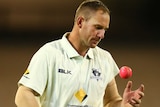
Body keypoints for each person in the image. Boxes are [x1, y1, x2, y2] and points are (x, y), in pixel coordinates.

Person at [15, 0, 144, 107]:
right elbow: (23, 94)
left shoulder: (105, 59)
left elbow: (111, 101)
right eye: (98, 27)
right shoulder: (49, 54)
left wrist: (123, 104)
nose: (102, 35)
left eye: (105, 29)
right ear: (80, 22)